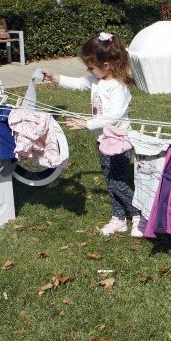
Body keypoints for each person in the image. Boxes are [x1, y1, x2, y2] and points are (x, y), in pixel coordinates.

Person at [42, 33, 138, 236]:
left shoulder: (117, 87)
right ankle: (118, 218)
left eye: (91, 67)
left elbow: (113, 116)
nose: (89, 71)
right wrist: (54, 78)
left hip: (119, 142)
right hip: (102, 140)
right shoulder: (97, 80)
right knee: (110, 180)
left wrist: (87, 123)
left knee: (118, 182)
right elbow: (77, 83)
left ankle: (140, 215)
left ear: (108, 64)